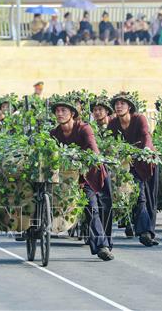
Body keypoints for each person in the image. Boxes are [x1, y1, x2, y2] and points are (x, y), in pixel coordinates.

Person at [50, 96, 114, 261]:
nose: (59, 113)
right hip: (67, 178)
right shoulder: (54, 133)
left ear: (72, 113)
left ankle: (102, 246)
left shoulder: (84, 129)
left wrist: (88, 158)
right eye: (57, 111)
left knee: (94, 208)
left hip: (89, 175)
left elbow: (93, 150)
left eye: (63, 110)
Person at [107, 91, 158, 247]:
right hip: (127, 165)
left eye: (122, 103)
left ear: (129, 107)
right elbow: (108, 142)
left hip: (146, 162)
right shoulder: (113, 124)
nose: (119, 106)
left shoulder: (139, 119)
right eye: (117, 104)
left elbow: (146, 135)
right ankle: (143, 231)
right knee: (136, 194)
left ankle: (148, 231)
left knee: (148, 197)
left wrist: (147, 149)